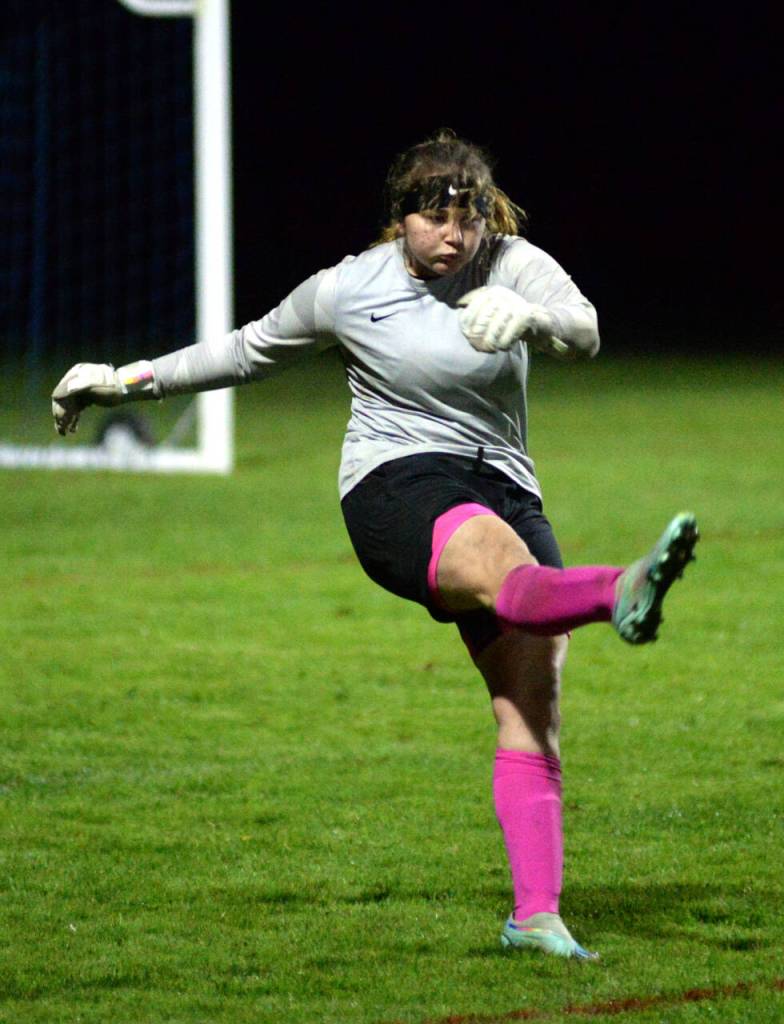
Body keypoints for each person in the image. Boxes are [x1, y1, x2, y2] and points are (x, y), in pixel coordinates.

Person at [51, 128, 699, 961]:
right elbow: (246, 350)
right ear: (401, 218)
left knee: (532, 700)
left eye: (468, 218)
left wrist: (534, 317)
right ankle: (622, 588)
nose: (454, 236)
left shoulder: (511, 263)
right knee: (507, 574)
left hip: (505, 484)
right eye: (435, 218)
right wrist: (123, 380)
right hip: (396, 483)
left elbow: (586, 331)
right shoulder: (350, 288)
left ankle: (535, 916)